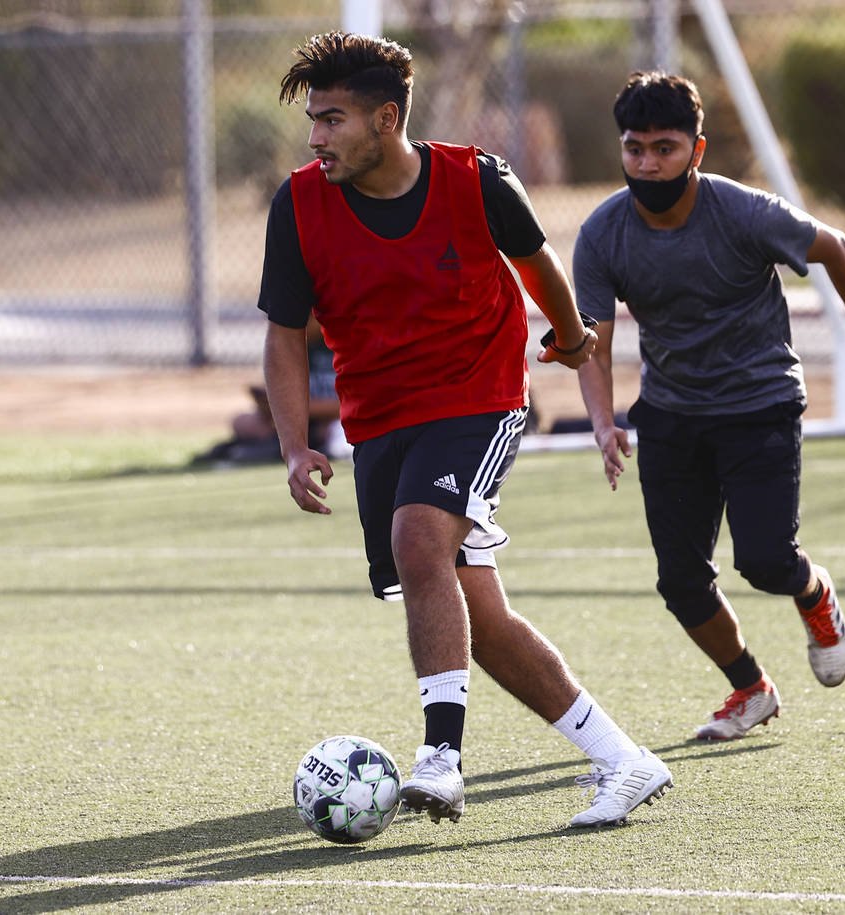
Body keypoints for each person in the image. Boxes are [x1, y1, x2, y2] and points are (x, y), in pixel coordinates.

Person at [258, 30, 672, 828]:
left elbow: (537, 261)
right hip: (380, 420)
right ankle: (625, 760)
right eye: (313, 120)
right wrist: (293, 442)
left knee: (420, 540)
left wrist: (572, 334)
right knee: (481, 620)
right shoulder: (299, 203)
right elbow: (283, 333)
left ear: (386, 120)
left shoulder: (476, 180)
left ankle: (441, 759)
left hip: (480, 398)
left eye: (332, 119)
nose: (316, 137)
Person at [573, 71, 845, 740]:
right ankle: (751, 688)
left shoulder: (742, 211)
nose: (649, 163)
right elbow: (591, 344)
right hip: (671, 412)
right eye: (635, 149)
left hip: (759, 402)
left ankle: (814, 593)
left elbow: (835, 247)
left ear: (697, 150)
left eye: (665, 148)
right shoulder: (602, 234)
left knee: (767, 562)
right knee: (681, 582)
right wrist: (604, 420)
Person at [194, 317, 349, 464]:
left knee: (334, 430)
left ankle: (277, 447)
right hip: (298, 418)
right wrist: (267, 402)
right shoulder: (295, 346)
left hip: (329, 419)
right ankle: (269, 446)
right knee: (242, 422)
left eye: (305, 321)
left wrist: (292, 409)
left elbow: (345, 406)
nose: (301, 327)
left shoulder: (339, 346)